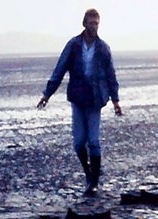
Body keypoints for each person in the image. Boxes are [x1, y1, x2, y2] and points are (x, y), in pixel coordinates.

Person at [36, 8, 123, 196]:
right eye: (91, 23)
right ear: (84, 24)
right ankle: (88, 171)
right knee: (78, 143)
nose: (94, 26)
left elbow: (111, 74)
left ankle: (94, 182)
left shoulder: (103, 48)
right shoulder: (74, 45)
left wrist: (116, 100)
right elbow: (60, 69)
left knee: (93, 141)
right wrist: (47, 94)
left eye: (97, 23)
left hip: (95, 99)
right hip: (77, 97)